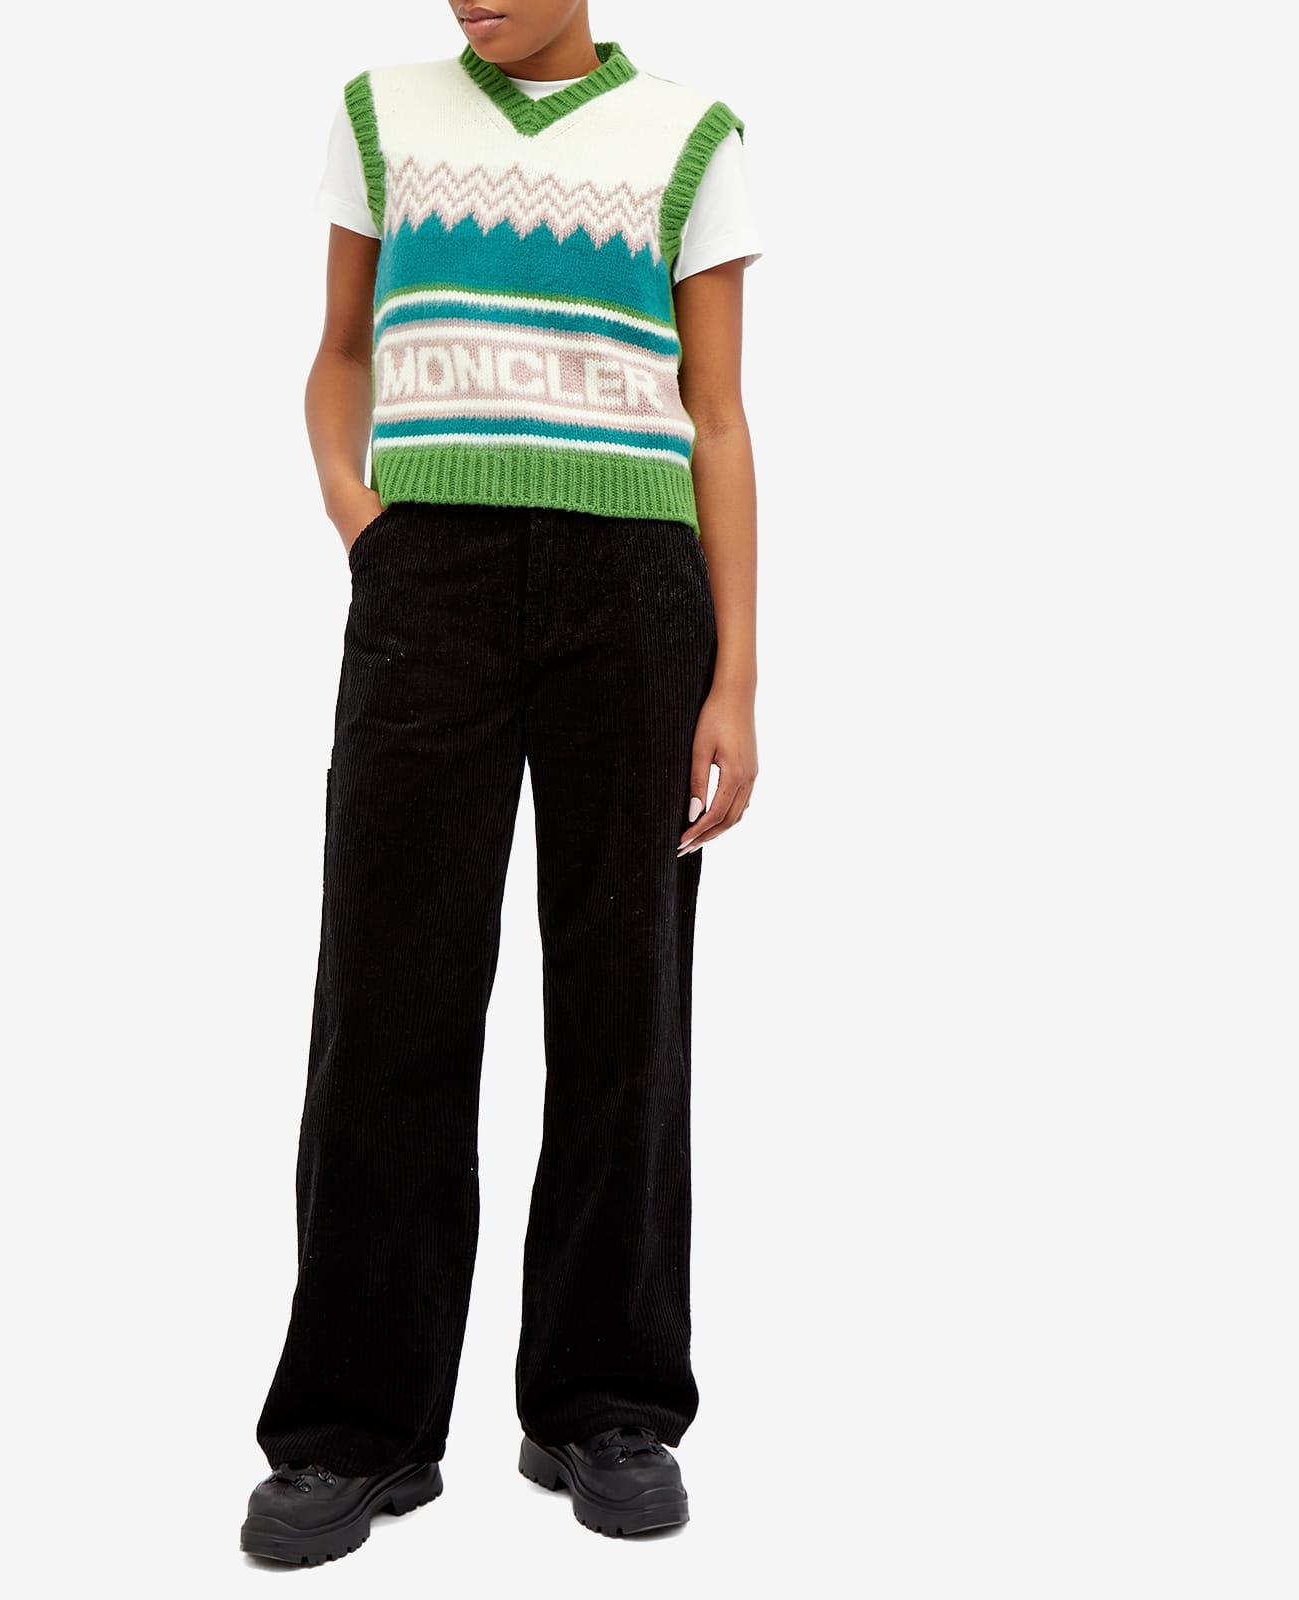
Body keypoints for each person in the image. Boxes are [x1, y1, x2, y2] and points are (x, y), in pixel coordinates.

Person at [241, 0, 762, 1565]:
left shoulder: (691, 139)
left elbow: (719, 416)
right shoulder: (382, 112)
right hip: (430, 581)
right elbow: (341, 354)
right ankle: (355, 1428)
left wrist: (736, 675)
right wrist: (363, 520)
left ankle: (604, 1404)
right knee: (387, 996)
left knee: (625, 998)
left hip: (637, 594)